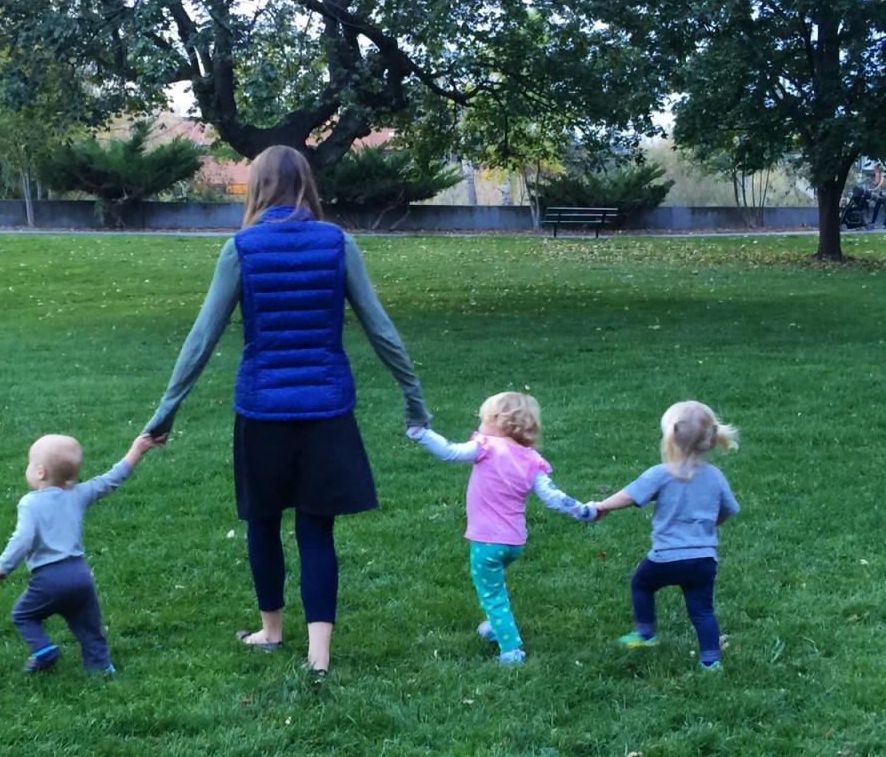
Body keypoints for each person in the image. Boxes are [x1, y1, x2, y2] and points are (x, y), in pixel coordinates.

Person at [142, 145, 431, 676]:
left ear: (256, 188)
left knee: (263, 523)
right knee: (317, 529)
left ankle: (271, 631)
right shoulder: (337, 243)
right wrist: (413, 398)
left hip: (262, 411)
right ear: (307, 186)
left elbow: (201, 338)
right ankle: (318, 656)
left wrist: (165, 411)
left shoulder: (242, 248)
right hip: (327, 409)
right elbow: (381, 328)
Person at [407, 392, 597, 664]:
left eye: (482, 419)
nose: (479, 425)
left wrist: (422, 434)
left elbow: (450, 452)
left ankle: (511, 648)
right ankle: (496, 626)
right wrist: (583, 510)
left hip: (487, 542)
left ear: (497, 422)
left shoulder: (487, 446)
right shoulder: (532, 459)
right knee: (492, 585)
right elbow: (554, 496)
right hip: (514, 543)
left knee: (492, 592)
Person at [592, 400, 739, 672]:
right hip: (704, 560)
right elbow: (728, 509)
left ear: (670, 438)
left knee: (642, 584)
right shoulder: (716, 476)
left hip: (666, 557)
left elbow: (630, 494)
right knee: (703, 611)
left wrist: (602, 506)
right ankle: (710, 660)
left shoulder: (661, 473)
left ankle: (646, 634)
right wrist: (712, 524)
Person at [0, 432, 155, 673]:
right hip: (80, 575)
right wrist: (136, 451)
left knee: (23, 615)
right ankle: (100, 667)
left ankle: (43, 650)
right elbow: (110, 480)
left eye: (30, 463)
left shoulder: (30, 503)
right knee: (89, 626)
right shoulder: (77, 495)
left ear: (40, 472)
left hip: (49, 579)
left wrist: (3, 567)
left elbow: (22, 539)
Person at [869, 161, 883, 228]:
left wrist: (870, 181)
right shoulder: (880, 174)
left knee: (876, 208)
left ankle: (873, 222)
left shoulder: (878, 174)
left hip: (879, 193)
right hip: (880, 192)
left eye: (875, 168)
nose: (874, 170)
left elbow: (877, 183)